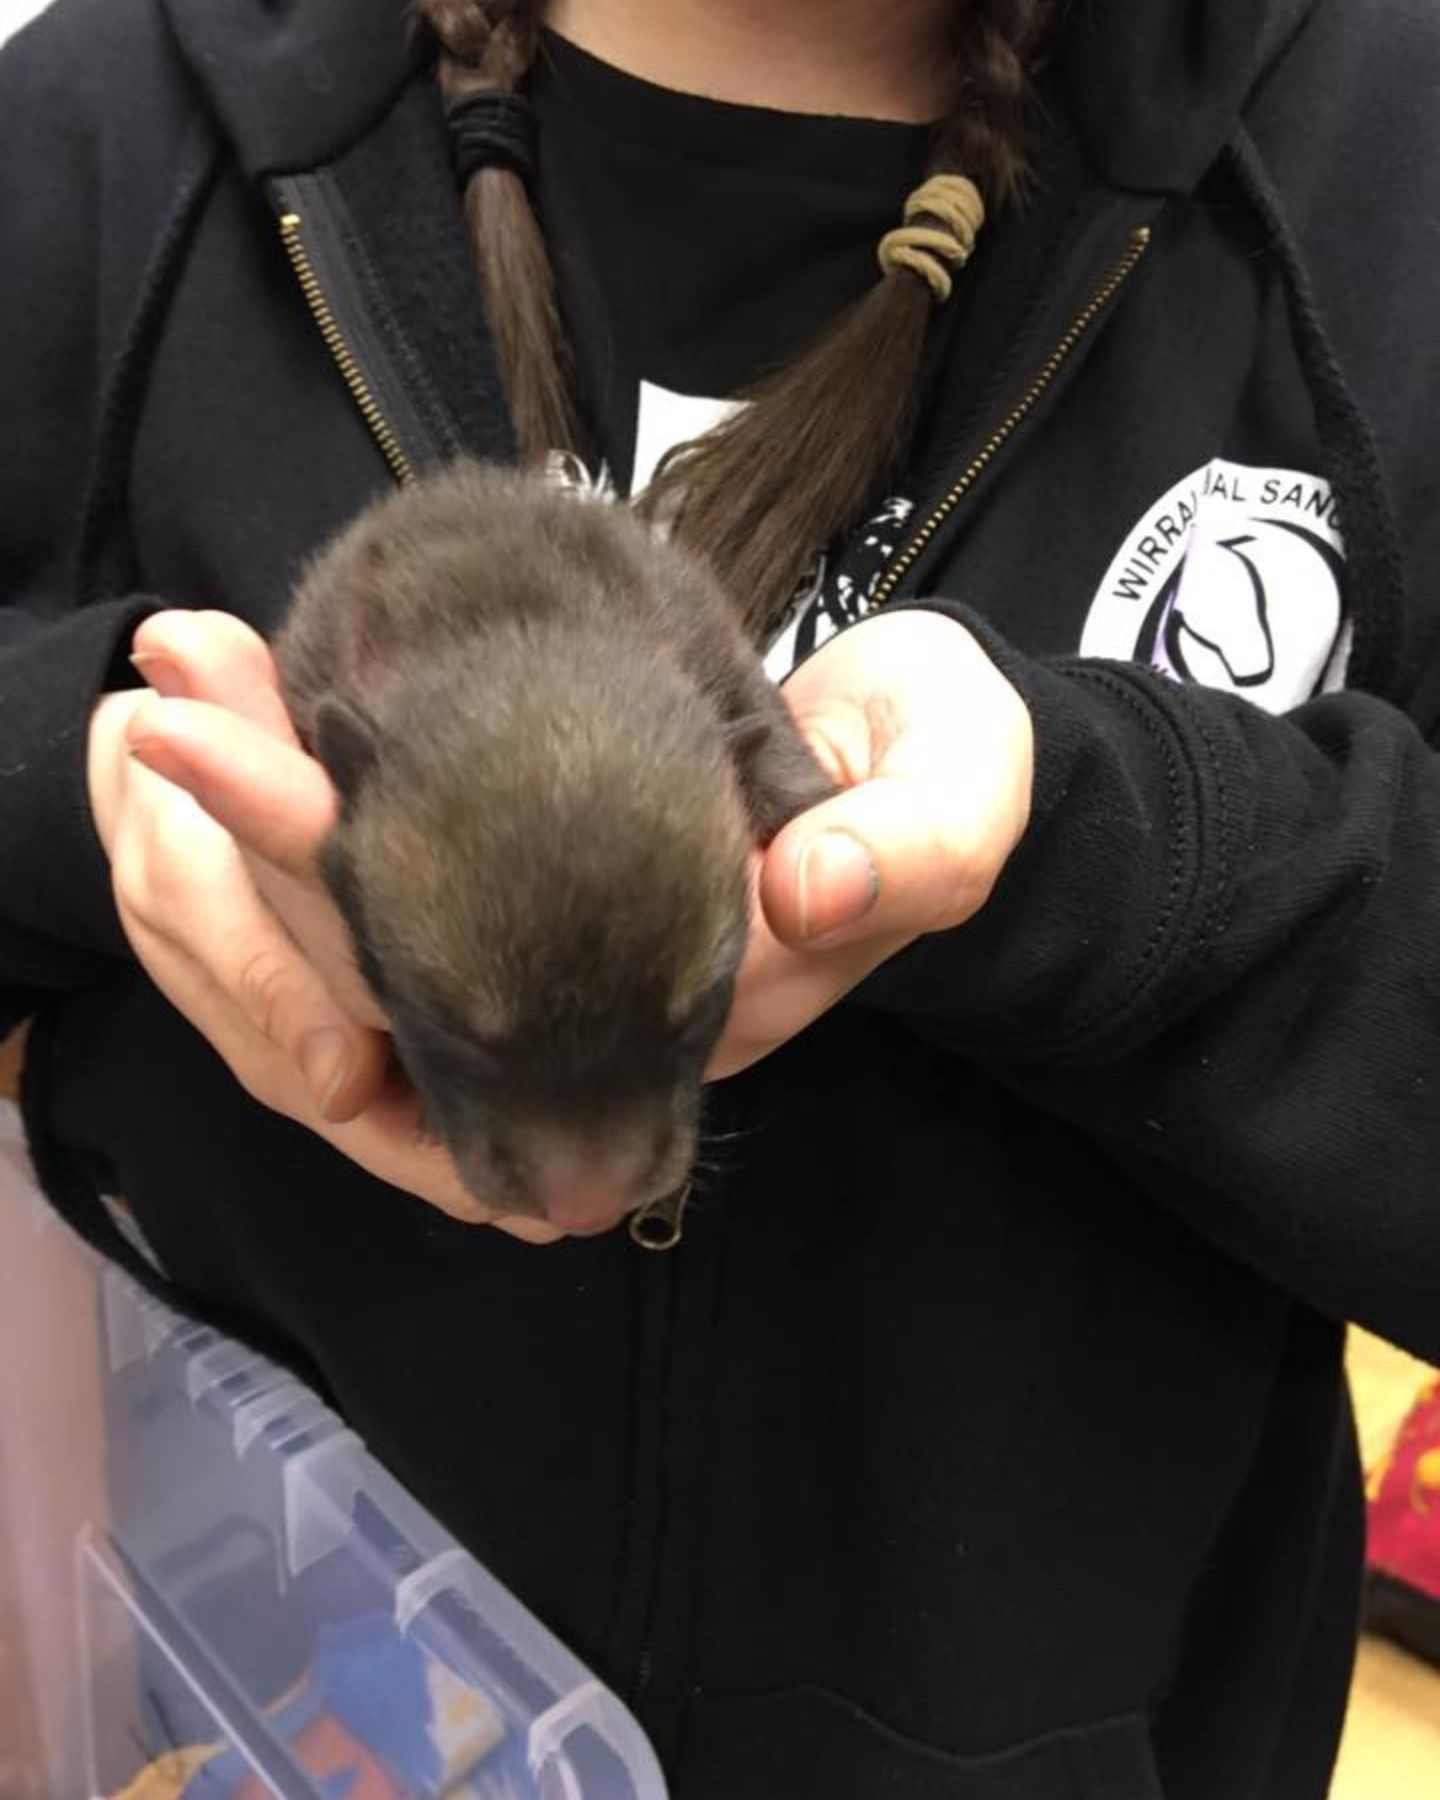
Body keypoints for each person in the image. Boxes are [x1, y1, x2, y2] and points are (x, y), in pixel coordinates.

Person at [2, 0, 1439, 1793]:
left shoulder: (1387, 153)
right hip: (257, 1677)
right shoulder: (108, 116)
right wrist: (93, 776)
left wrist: (1109, 841)